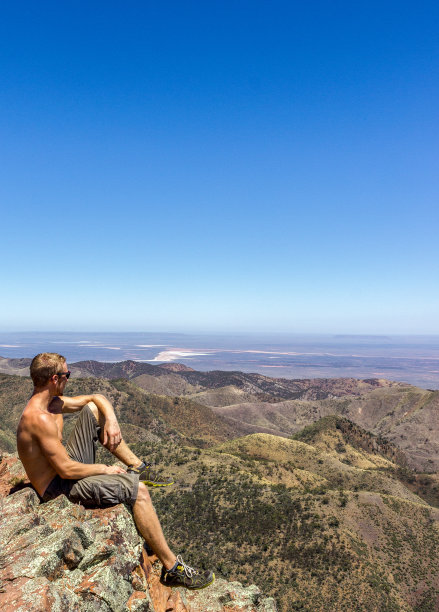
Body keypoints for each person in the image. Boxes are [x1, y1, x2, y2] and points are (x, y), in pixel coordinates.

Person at [16, 352, 214, 590]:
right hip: (57, 486)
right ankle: (172, 569)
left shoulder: (52, 403)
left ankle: (138, 467)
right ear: (54, 380)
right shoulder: (39, 418)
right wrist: (105, 469)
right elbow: (66, 470)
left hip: (65, 470)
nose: (69, 379)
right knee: (138, 491)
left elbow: (95, 398)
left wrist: (110, 418)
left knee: (92, 409)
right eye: (67, 375)